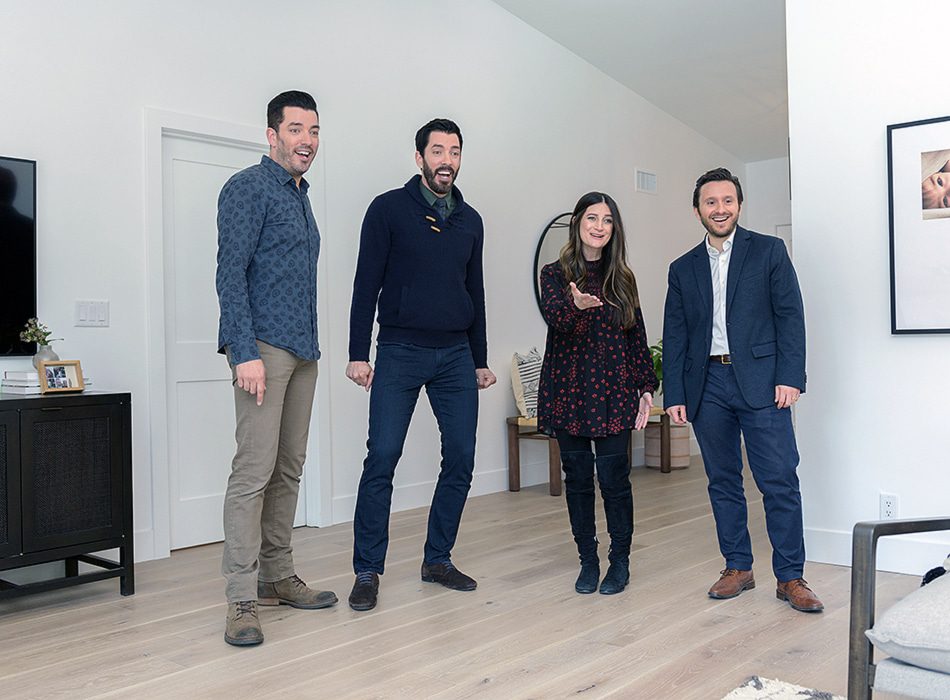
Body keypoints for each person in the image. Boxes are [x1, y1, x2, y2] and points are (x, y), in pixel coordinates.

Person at [345, 117, 496, 612]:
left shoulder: (471, 220)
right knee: (382, 456)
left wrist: (479, 359)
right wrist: (357, 353)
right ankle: (367, 570)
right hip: (400, 350)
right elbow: (366, 283)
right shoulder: (388, 209)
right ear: (419, 157)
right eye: (437, 151)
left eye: (454, 151)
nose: (446, 160)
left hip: (455, 355)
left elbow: (475, 291)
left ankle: (438, 559)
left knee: (462, 458)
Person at [662, 167, 823, 613]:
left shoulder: (769, 251)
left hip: (763, 382)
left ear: (739, 205)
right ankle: (738, 567)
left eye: (727, 200)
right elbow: (675, 334)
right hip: (707, 384)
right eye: (711, 202)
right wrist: (675, 393)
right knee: (722, 480)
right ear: (698, 210)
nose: (720, 209)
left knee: (779, 480)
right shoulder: (682, 268)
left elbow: (790, 315)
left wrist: (790, 376)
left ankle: (790, 577)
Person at [215, 90, 337, 646]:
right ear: (272, 134)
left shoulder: (300, 195)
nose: (306, 140)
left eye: (313, 130)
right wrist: (243, 352)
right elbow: (230, 273)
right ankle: (241, 597)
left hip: (303, 349)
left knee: (289, 468)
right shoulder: (248, 188)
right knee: (253, 472)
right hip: (262, 348)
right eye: (295, 129)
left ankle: (277, 576)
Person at [537, 192, 657, 595]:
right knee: (577, 480)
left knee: (615, 480)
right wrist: (578, 307)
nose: (599, 226)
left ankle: (619, 562)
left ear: (614, 229)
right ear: (577, 222)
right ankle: (588, 562)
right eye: (592, 218)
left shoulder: (623, 278)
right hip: (569, 391)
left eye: (607, 220)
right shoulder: (554, 274)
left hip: (613, 391)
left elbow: (636, 334)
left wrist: (646, 386)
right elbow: (557, 320)